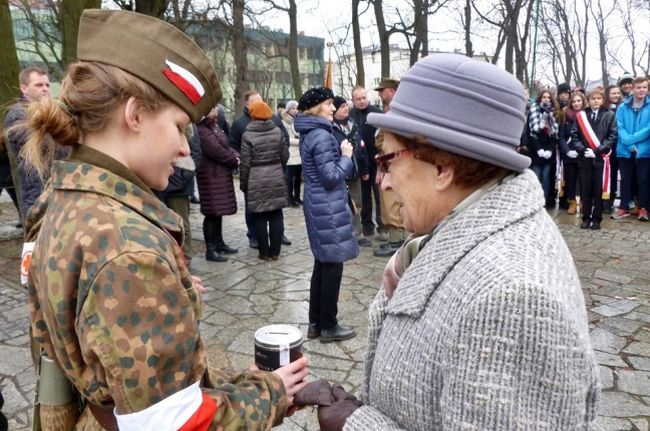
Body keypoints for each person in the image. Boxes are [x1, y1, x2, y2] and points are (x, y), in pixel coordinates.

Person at [20, 9, 307, 429]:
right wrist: (272, 393)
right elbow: (175, 423)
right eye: (178, 127)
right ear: (134, 115)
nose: (185, 149)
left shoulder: (61, 201)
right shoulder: (127, 249)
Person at [293, 53, 599, 430]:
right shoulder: (455, 233)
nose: (384, 181)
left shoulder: (513, 300)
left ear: (441, 169)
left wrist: (355, 424)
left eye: (388, 160)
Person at [294, 87, 359, 343]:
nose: (334, 108)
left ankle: (316, 323)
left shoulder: (311, 132)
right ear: (315, 107)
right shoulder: (321, 135)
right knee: (332, 266)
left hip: (320, 203)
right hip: (327, 206)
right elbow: (331, 176)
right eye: (329, 103)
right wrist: (346, 156)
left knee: (323, 264)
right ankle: (329, 326)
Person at [3, 66, 67, 224]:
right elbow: (44, 145)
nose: (45, 89)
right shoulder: (17, 115)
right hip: (37, 195)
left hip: (58, 188)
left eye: (47, 85)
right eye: (39, 85)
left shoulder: (52, 110)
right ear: (24, 88)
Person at [230, 90, 292, 248]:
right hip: (253, 176)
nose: (260, 104)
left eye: (261, 101)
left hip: (273, 174)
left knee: (276, 207)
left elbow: (285, 142)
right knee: (254, 209)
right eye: (256, 101)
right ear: (247, 104)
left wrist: (279, 165)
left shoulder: (275, 120)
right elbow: (234, 146)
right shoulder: (239, 124)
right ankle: (254, 236)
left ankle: (278, 235)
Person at [197, 107, 240, 262]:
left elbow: (226, 146)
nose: (217, 109)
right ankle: (211, 249)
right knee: (211, 213)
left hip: (220, 175)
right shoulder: (202, 130)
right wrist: (233, 160)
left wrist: (236, 155)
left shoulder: (215, 126)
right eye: (214, 108)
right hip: (210, 176)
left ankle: (219, 243)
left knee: (218, 211)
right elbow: (215, 150)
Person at [570, 89, 617, 229]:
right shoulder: (581, 116)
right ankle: (585, 218)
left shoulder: (610, 115)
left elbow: (612, 135)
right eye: (593, 98)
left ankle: (597, 218)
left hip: (600, 159)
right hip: (584, 159)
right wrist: (583, 150)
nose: (595, 101)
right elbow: (575, 135)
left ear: (603, 100)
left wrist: (597, 150)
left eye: (598, 98)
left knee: (598, 190)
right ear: (588, 101)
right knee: (585, 189)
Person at [156, 125, 201, 265]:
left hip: (179, 188)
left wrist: (181, 179)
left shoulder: (188, 126)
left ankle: (185, 256)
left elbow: (195, 154)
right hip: (160, 186)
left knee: (182, 223)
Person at [373, 78, 406, 257]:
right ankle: (396, 240)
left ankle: (397, 241)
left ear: (392, 91)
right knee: (389, 203)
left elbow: (389, 139)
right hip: (388, 162)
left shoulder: (395, 111)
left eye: (382, 90)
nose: (379, 94)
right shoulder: (390, 110)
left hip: (393, 162)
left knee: (392, 202)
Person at [331, 96, 370, 247]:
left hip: (355, 171)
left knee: (357, 203)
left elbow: (362, 148)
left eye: (346, 106)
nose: (346, 109)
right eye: (342, 107)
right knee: (343, 205)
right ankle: (345, 234)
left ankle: (357, 233)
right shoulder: (331, 128)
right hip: (341, 173)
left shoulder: (353, 125)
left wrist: (365, 168)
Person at [349, 86, 385, 239]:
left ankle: (383, 226)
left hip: (376, 161)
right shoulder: (350, 115)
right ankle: (367, 225)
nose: (362, 101)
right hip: (360, 163)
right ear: (353, 100)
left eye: (364, 97)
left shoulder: (377, 112)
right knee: (363, 196)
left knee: (380, 196)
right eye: (358, 99)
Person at [614, 76, 650, 221]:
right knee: (625, 179)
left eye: (644, 87)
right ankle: (624, 207)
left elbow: (648, 129)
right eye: (638, 87)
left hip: (644, 150)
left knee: (643, 180)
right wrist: (629, 144)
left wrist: (633, 140)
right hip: (625, 149)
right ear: (633, 88)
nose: (641, 90)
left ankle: (643, 208)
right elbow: (620, 127)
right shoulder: (622, 107)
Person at [527, 89, 560, 206]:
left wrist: (550, 150)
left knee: (546, 177)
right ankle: (534, 200)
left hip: (548, 152)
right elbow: (531, 133)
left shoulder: (553, 113)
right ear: (540, 98)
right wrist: (538, 149)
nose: (546, 99)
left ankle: (543, 200)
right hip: (536, 151)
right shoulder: (533, 110)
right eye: (544, 97)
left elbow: (555, 135)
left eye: (548, 97)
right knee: (536, 176)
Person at [558, 91, 587, 215]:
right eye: (574, 101)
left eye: (579, 101)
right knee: (571, 179)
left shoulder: (587, 115)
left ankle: (585, 202)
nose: (576, 103)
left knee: (584, 179)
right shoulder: (565, 115)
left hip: (583, 153)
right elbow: (561, 137)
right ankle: (572, 202)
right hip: (570, 153)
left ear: (583, 102)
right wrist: (567, 151)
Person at [604, 84, 623, 213]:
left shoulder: (623, 108)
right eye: (613, 93)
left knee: (617, 174)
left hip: (620, 147)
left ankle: (615, 200)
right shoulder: (604, 109)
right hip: (607, 147)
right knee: (607, 175)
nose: (616, 95)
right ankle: (606, 201)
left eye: (618, 93)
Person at [282, 100, 302, 207]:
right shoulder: (284, 122)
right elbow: (286, 138)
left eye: (296, 108)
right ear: (288, 109)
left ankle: (297, 197)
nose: (295, 110)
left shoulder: (298, 121)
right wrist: (300, 142)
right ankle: (289, 198)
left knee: (298, 178)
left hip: (299, 154)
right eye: (293, 108)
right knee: (290, 178)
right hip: (290, 154)